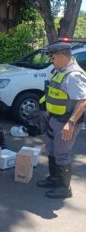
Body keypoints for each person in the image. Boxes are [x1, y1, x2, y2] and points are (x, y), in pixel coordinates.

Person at [37, 42, 86, 199]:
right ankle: (54, 179)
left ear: (62, 57)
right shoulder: (59, 70)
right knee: (51, 149)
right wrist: (47, 112)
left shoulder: (73, 75)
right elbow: (54, 93)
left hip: (67, 122)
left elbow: (83, 101)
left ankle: (64, 188)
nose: (51, 60)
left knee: (61, 153)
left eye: (53, 57)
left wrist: (70, 123)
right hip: (54, 119)